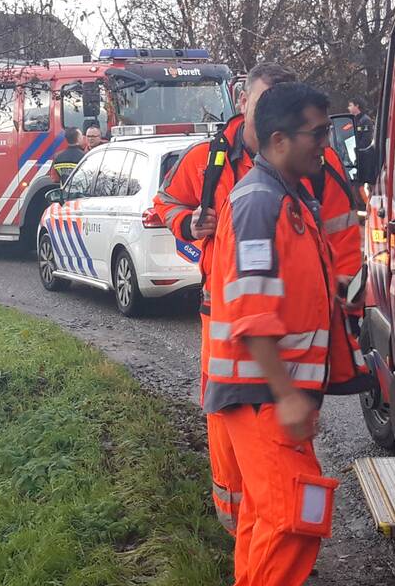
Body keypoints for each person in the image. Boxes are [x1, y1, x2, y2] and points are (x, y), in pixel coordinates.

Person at [153, 63, 366, 547]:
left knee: (280, 480)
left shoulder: (314, 169)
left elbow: (340, 237)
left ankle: (258, 533)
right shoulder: (215, 164)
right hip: (228, 318)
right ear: (246, 101)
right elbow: (164, 203)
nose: (323, 142)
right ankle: (244, 529)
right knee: (234, 441)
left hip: (284, 332)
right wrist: (189, 223)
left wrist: (340, 301)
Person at [207, 82, 370, 586]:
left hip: (268, 400)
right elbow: (252, 312)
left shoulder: (287, 197)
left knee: (264, 519)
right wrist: (286, 396)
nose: (326, 144)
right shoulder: (261, 203)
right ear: (279, 139)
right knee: (295, 520)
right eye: (317, 133)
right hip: (262, 400)